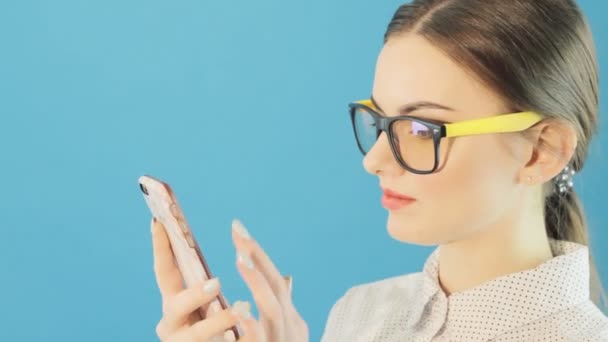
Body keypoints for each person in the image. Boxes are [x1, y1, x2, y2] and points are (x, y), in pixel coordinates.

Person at [150, 0, 608, 340]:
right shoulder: (360, 314)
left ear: (541, 152)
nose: (374, 161)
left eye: (422, 129)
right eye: (380, 121)